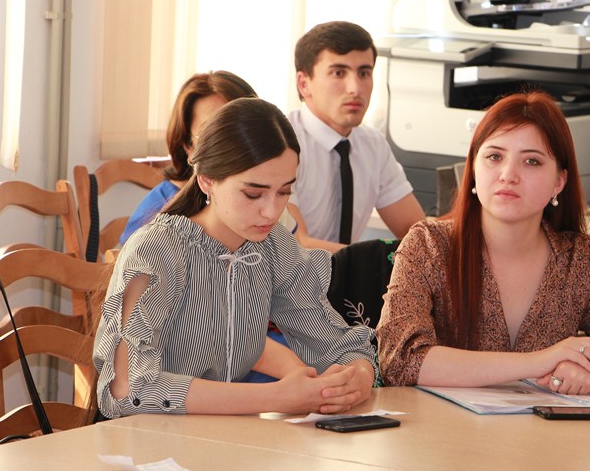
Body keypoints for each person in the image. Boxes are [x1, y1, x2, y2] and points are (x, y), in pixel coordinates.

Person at [376, 91, 590, 395]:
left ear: (559, 182)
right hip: (442, 428)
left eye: (531, 161)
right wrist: (540, 361)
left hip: (542, 429)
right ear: (473, 169)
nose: (508, 175)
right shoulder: (428, 245)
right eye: (494, 157)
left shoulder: (579, 258)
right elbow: (400, 361)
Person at [94, 97, 377, 418]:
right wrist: (274, 397)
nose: (272, 211)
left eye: (284, 191)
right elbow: (128, 390)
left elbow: (335, 344)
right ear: (206, 180)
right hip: (147, 443)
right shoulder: (157, 250)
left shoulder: (273, 245)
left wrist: (359, 376)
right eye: (253, 194)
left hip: (226, 438)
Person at [120, 70, 324, 251]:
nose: (269, 211)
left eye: (245, 131)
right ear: (188, 146)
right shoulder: (158, 223)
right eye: (216, 132)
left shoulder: (272, 205)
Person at [288, 21, 425, 248]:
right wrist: (370, 262)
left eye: (363, 73)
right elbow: (296, 247)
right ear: (304, 84)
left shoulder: (373, 145)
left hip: (346, 269)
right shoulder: (282, 144)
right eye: (338, 73)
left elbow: (418, 235)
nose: (355, 88)